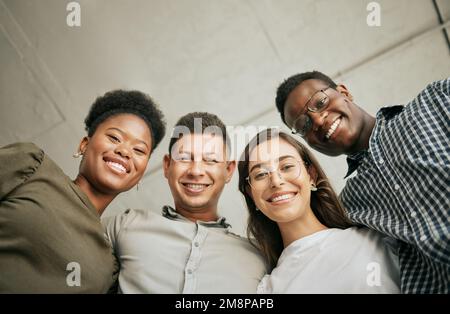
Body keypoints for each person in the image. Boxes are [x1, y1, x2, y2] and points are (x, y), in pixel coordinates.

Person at [274, 71, 450, 293]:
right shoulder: (349, 204)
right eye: (304, 124)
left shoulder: (435, 102)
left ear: (344, 92)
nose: (317, 120)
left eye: (320, 102)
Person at [0, 90, 166, 293]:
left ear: (140, 173)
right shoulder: (32, 168)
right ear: (84, 145)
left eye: (139, 150)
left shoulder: (110, 269)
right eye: (114, 138)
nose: (124, 151)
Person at [103, 112, 266, 293]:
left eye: (210, 160)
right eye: (184, 158)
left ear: (228, 170)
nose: (196, 171)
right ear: (167, 165)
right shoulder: (124, 226)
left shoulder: (259, 257)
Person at [237, 128, 400, 293]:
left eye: (286, 166)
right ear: (251, 195)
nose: (276, 181)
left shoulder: (380, 238)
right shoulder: (267, 290)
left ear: (311, 176)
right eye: (261, 174)